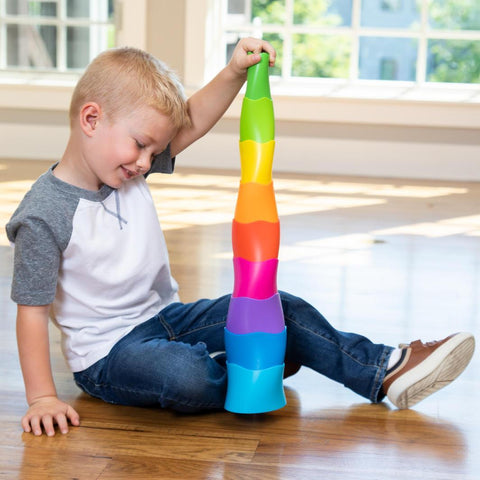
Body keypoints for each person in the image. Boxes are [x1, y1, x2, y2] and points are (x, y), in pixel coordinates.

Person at [6, 39, 475, 437]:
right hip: (110, 356)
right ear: (91, 119)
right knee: (182, 374)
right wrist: (43, 396)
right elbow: (31, 314)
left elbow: (189, 121)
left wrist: (234, 72)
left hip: (168, 318)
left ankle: (383, 368)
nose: (148, 161)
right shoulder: (45, 215)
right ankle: (250, 366)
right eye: (141, 145)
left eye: (154, 149)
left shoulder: (124, 167)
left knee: (278, 306)